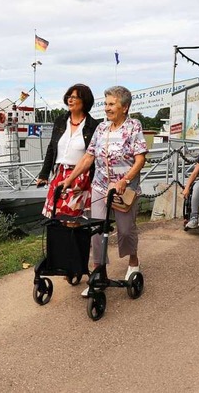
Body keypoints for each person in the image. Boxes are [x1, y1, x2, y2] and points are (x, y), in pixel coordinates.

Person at [60, 85, 147, 295]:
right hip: (100, 187)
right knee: (97, 231)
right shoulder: (101, 128)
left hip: (123, 189)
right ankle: (99, 272)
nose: (106, 108)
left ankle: (133, 261)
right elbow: (89, 157)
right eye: (105, 104)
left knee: (125, 231)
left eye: (111, 104)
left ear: (124, 107)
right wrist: (70, 179)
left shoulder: (134, 127)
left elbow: (140, 158)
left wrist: (125, 180)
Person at [37, 83, 99, 218]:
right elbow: (51, 148)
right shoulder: (60, 121)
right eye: (69, 96)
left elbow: (93, 156)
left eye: (75, 97)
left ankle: (75, 239)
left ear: (85, 101)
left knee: (73, 218)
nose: (70, 100)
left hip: (79, 176)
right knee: (55, 217)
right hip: (59, 173)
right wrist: (44, 174)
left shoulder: (93, 126)